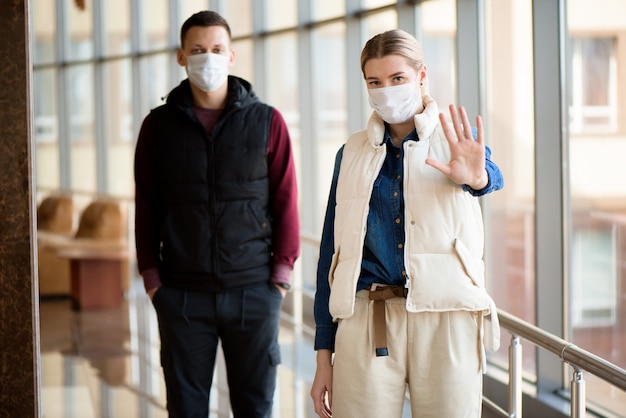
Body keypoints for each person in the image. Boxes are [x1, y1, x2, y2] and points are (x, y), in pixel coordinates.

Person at [310, 29, 504, 418]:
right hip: (367, 319)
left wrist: (476, 177)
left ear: (421, 75)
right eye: (375, 82)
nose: (387, 91)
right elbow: (331, 254)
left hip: (446, 317)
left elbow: (489, 178)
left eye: (397, 79)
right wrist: (323, 357)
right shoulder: (350, 153)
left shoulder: (458, 142)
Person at [134, 10, 300, 418]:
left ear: (231, 56)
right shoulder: (157, 127)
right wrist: (153, 281)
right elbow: (146, 207)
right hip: (182, 295)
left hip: (254, 291)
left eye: (216, 49)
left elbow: (285, 201)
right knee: (186, 409)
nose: (207, 58)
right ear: (180, 56)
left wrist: (280, 279)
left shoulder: (267, 122)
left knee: (255, 407)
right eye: (197, 50)